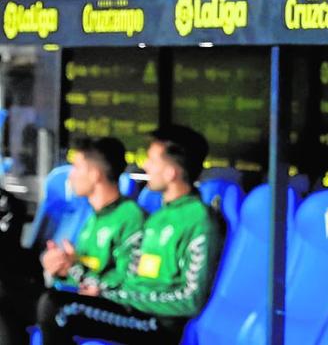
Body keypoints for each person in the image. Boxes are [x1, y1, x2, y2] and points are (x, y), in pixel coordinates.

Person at [36, 126, 224, 345]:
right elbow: (130, 278)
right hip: (130, 309)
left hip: (157, 324)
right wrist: (85, 278)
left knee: (59, 308)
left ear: (171, 172)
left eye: (152, 160)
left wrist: (117, 295)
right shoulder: (157, 218)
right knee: (52, 303)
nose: (145, 166)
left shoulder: (200, 220)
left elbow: (191, 300)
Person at [0, 137, 142, 345]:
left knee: (51, 305)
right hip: (69, 292)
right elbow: (82, 265)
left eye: (76, 168)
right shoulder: (94, 217)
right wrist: (57, 262)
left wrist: (73, 268)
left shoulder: (130, 217)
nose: (70, 177)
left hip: (100, 304)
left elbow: (127, 280)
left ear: (94, 174)